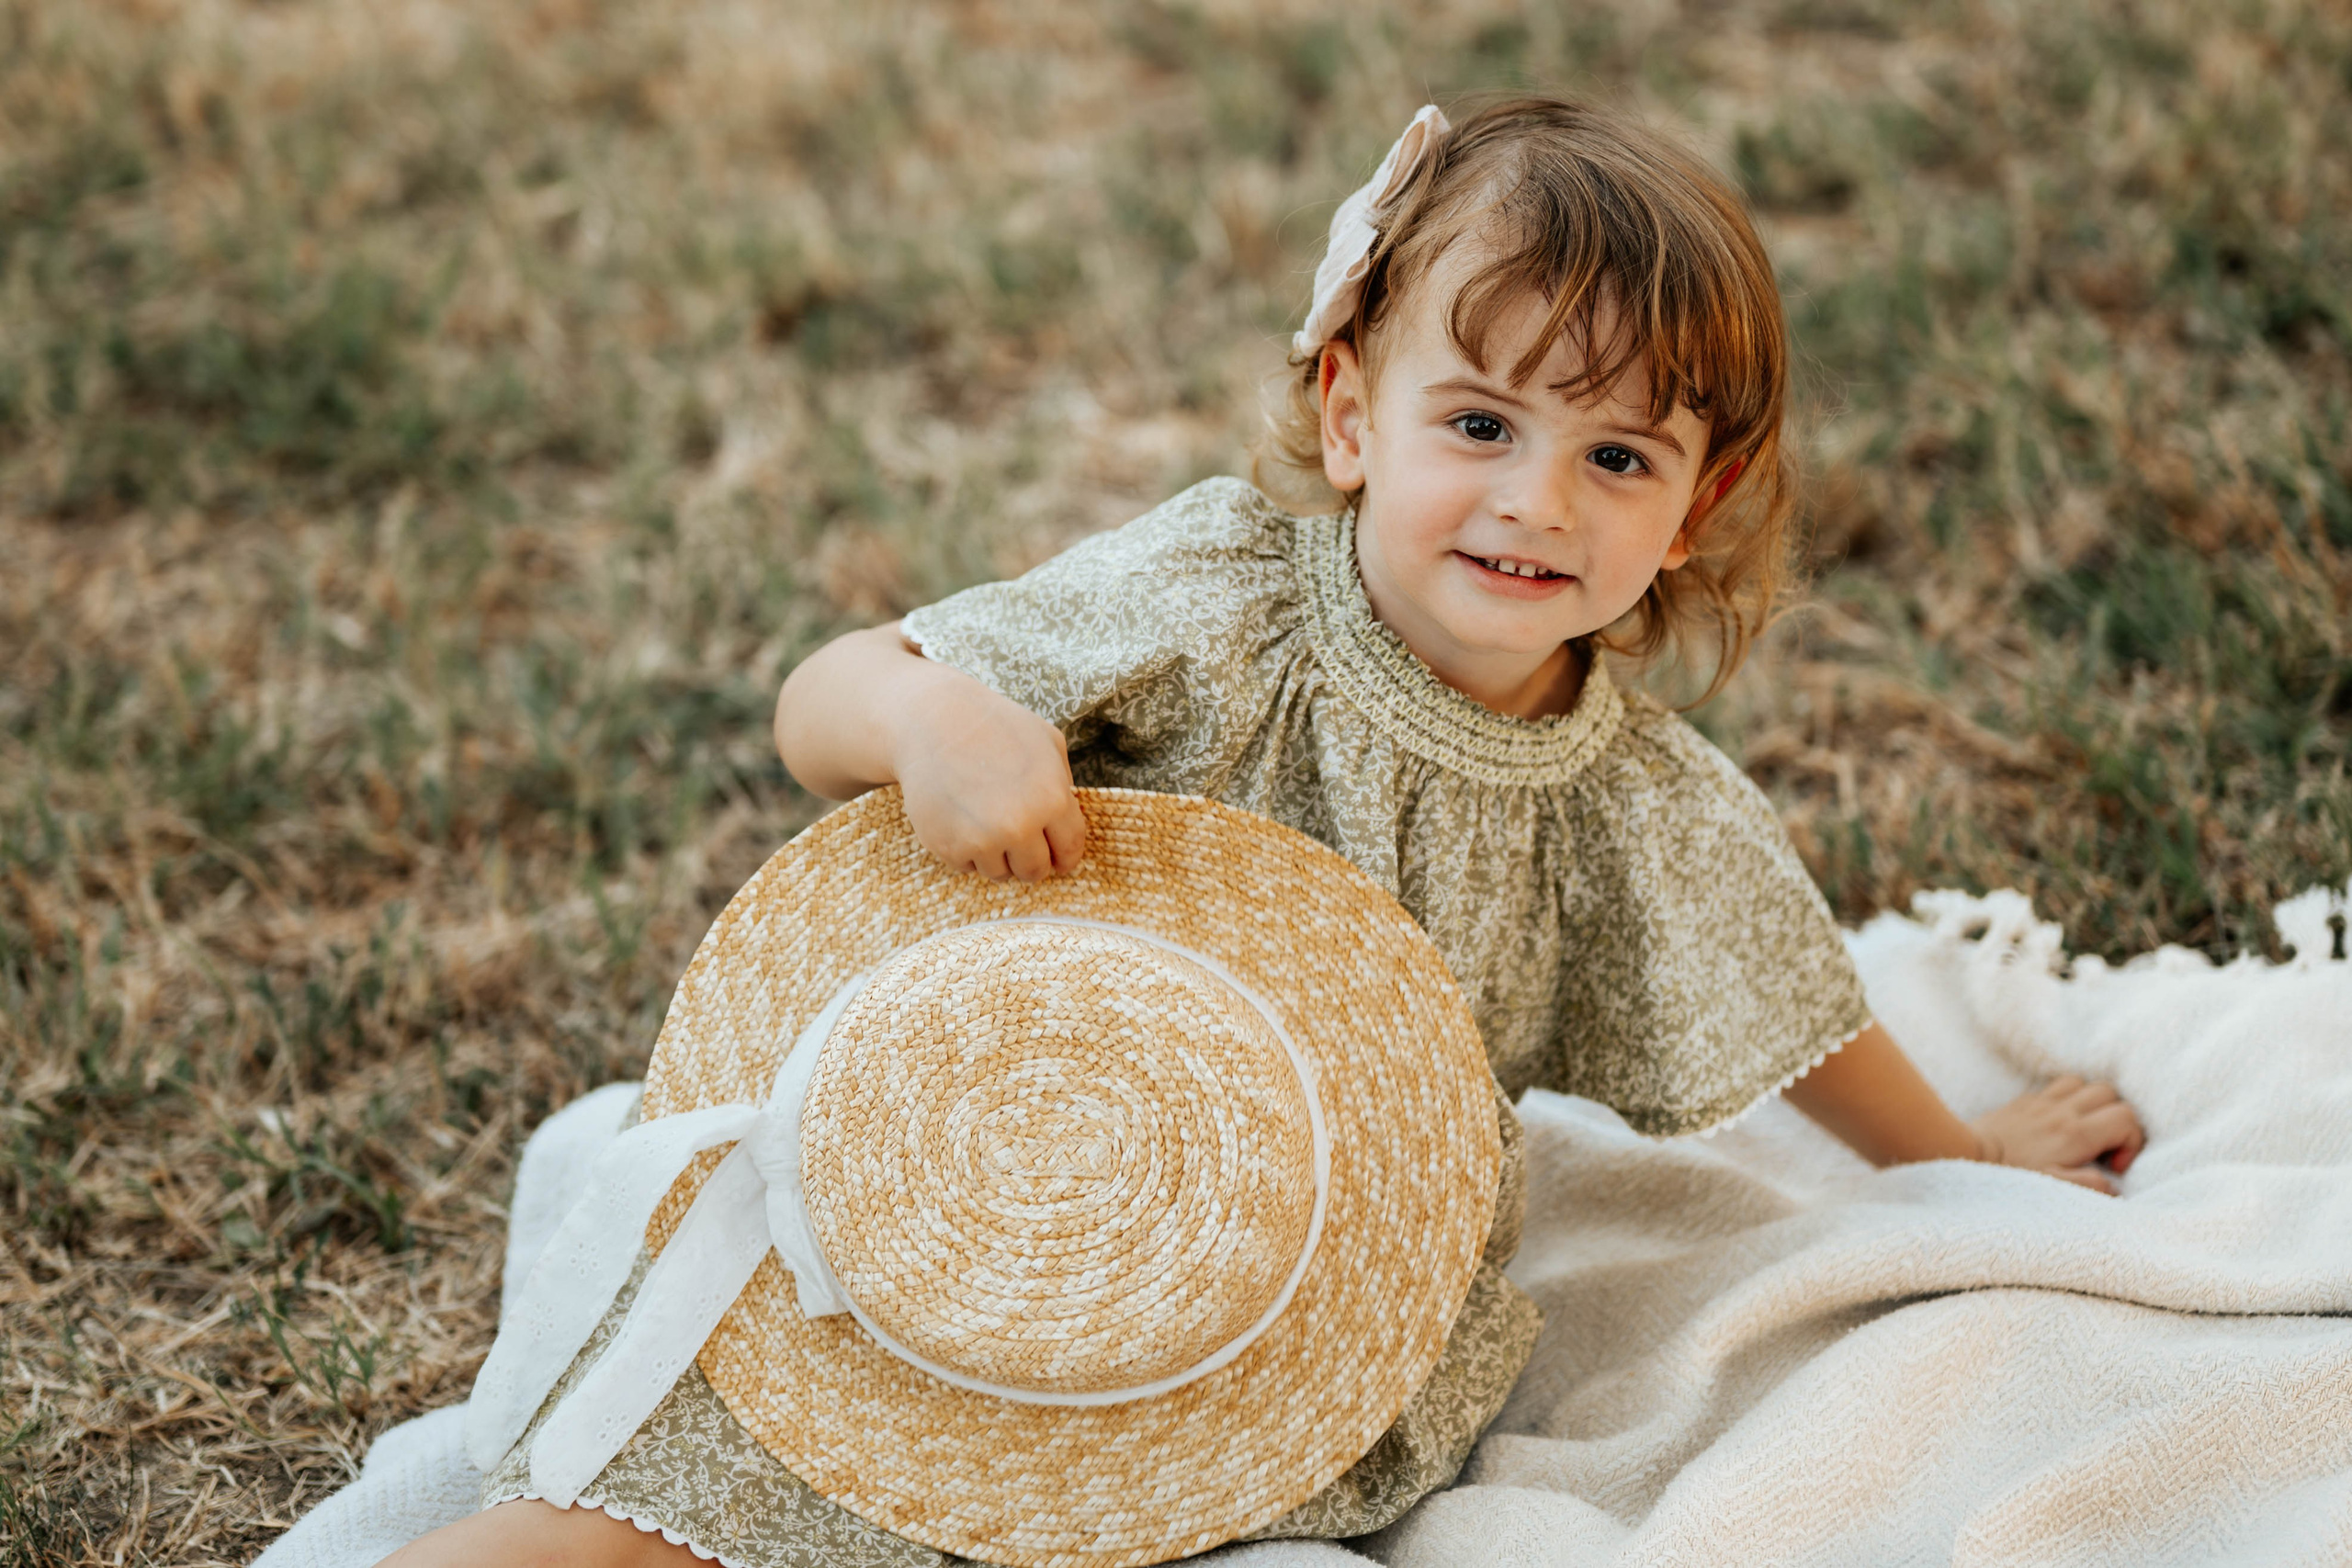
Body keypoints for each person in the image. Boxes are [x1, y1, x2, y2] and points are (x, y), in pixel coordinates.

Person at [389, 95, 2144, 1568]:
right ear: (1347, 409)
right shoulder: (1222, 603)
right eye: (1480, 423)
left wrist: (1959, 1154)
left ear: (1705, 507)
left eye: (1621, 458)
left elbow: (1785, 999)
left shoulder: (1625, 800)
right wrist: (933, 717)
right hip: (985, 1156)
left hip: (1276, 1296)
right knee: (640, 1513)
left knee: (1086, 1517)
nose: (1536, 497)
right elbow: (822, 695)